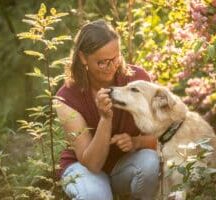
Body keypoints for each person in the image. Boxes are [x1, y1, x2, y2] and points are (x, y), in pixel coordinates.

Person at [55, 19, 159, 200]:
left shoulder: (138, 80)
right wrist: (105, 118)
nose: (111, 67)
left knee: (151, 163)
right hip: (83, 168)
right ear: (82, 57)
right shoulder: (66, 98)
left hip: (124, 165)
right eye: (102, 62)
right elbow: (92, 164)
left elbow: (162, 137)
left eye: (115, 59)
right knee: (95, 195)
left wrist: (136, 142)